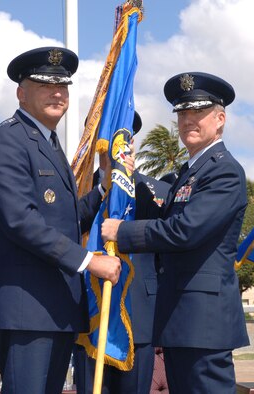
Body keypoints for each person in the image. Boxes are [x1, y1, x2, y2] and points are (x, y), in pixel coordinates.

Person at [0, 46, 123, 394]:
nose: (57, 93)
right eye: (44, 85)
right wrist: (89, 261)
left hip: (56, 307)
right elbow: (20, 221)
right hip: (26, 308)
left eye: (63, 86)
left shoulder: (50, 144)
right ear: (21, 92)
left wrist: (102, 189)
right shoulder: (5, 142)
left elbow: (65, 221)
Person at [102, 72, 250, 393]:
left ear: (220, 118)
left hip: (204, 322)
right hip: (180, 320)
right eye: (183, 113)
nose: (188, 121)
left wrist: (122, 232)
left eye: (198, 112)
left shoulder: (223, 170)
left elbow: (184, 231)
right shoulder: (188, 173)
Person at [74, 112, 171, 394]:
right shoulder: (76, 189)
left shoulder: (157, 191)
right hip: (89, 316)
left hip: (137, 317)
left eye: (124, 139)